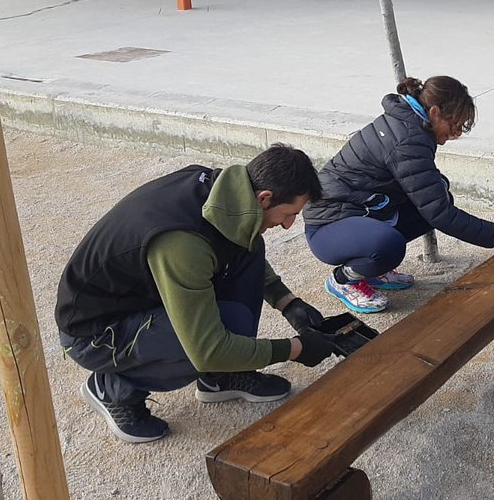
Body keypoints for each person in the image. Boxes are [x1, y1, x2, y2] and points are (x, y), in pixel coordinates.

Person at [55, 144, 336, 443]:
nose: (288, 224)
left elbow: (242, 245)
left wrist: (287, 302)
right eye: (289, 213)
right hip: (95, 334)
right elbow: (207, 350)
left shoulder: (223, 194)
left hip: (141, 299)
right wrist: (295, 348)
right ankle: (112, 389)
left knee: (250, 243)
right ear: (265, 198)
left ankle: (220, 378)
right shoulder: (183, 242)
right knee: (200, 347)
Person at [302, 76, 494, 314]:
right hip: (327, 225)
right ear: (434, 112)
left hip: (360, 210)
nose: (457, 133)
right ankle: (343, 279)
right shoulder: (408, 138)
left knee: (437, 196)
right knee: (390, 245)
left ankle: (372, 269)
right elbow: (441, 215)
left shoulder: (410, 125)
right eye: (455, 125)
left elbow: (431, 197)